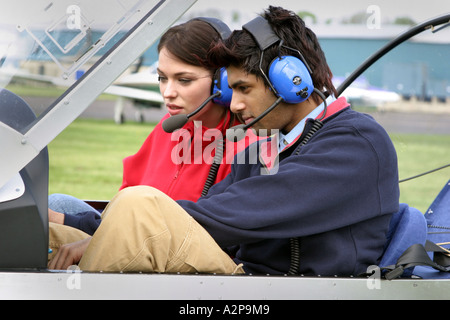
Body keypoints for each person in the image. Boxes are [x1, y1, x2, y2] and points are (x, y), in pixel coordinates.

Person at [48, 6, 399, 276]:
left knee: (139, 204)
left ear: (292, 82)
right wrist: (77, 225)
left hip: (278, 289)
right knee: (50, 235)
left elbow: (229, 214)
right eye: (230, 90)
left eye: (243, 88)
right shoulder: (262, 146)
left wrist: (113, 226)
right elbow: (210, 207)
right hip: (239, 276)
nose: (234, 105)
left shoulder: (356, 143)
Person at [47, 17, 255, 236]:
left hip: (179, 253)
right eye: (162, 78)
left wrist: (81, 228)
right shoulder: (169, 128)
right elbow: (125, 202)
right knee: (57, 203)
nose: (167, 92)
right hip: (137, 235)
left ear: (222, 81)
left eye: (183, 80)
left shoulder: (249, 145)